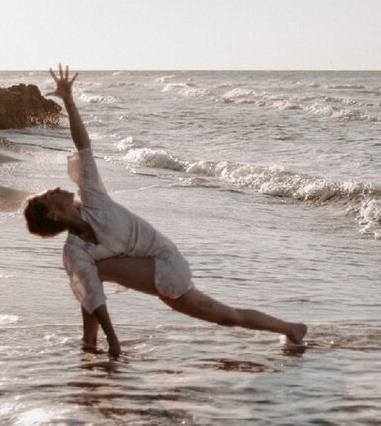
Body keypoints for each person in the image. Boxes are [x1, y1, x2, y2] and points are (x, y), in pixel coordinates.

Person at [23, 65, 307, 359]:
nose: (57, 187)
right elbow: (92, 295)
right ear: (53, 215)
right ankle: (291, 328)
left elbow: (83, 147)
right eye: (50, 194)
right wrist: (114, 341)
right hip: (159, 272)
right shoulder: (75, 248)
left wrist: (69, 101)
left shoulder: (94, 200)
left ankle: (89, 341)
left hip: (166, 263)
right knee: (227, 316)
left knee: (91, 274)